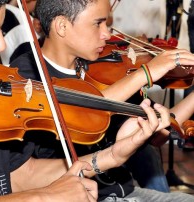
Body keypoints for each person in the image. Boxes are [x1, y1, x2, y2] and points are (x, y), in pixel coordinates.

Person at [0, 0, 179, 201]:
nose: (1, 44)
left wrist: (112, 156)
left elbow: (22, 174)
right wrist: (44, 197)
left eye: (0, 31)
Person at [10, 0, 194, 201]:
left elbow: (159, 136)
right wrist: (145, 73)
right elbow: (82, 109)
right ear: (62, 26)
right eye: (98, 23)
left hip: (125, 190)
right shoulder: (27, 73)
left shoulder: (103, 72)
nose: (107, 34)